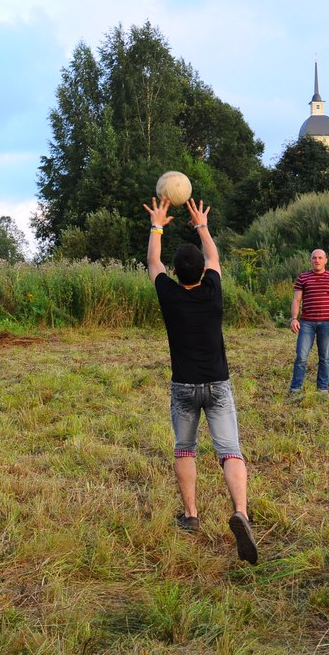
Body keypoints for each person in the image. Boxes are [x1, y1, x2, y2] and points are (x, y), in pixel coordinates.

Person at [145, 196, 257, 564]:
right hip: (218, 383)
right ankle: (240, 511)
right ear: (201, 272)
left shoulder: (169, 295)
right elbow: (214, 258)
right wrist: (201, 225)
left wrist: (157, 226)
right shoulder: (213, 290)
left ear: (176, 273)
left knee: (185, 449)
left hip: (184, 386)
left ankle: (191, 516)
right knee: (230, 451)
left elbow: (153, 262)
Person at [288, 248, 329, 398]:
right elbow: (296, 300)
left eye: (320, 258)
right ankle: (295, 389)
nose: (317, 260)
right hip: (306, 323)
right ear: (311, 260)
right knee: (301, 357)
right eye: (314, 258)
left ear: (325, 260)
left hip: (326, 324)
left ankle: (322, 389)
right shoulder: (303, 278)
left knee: (325, 358)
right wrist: (294, 318)